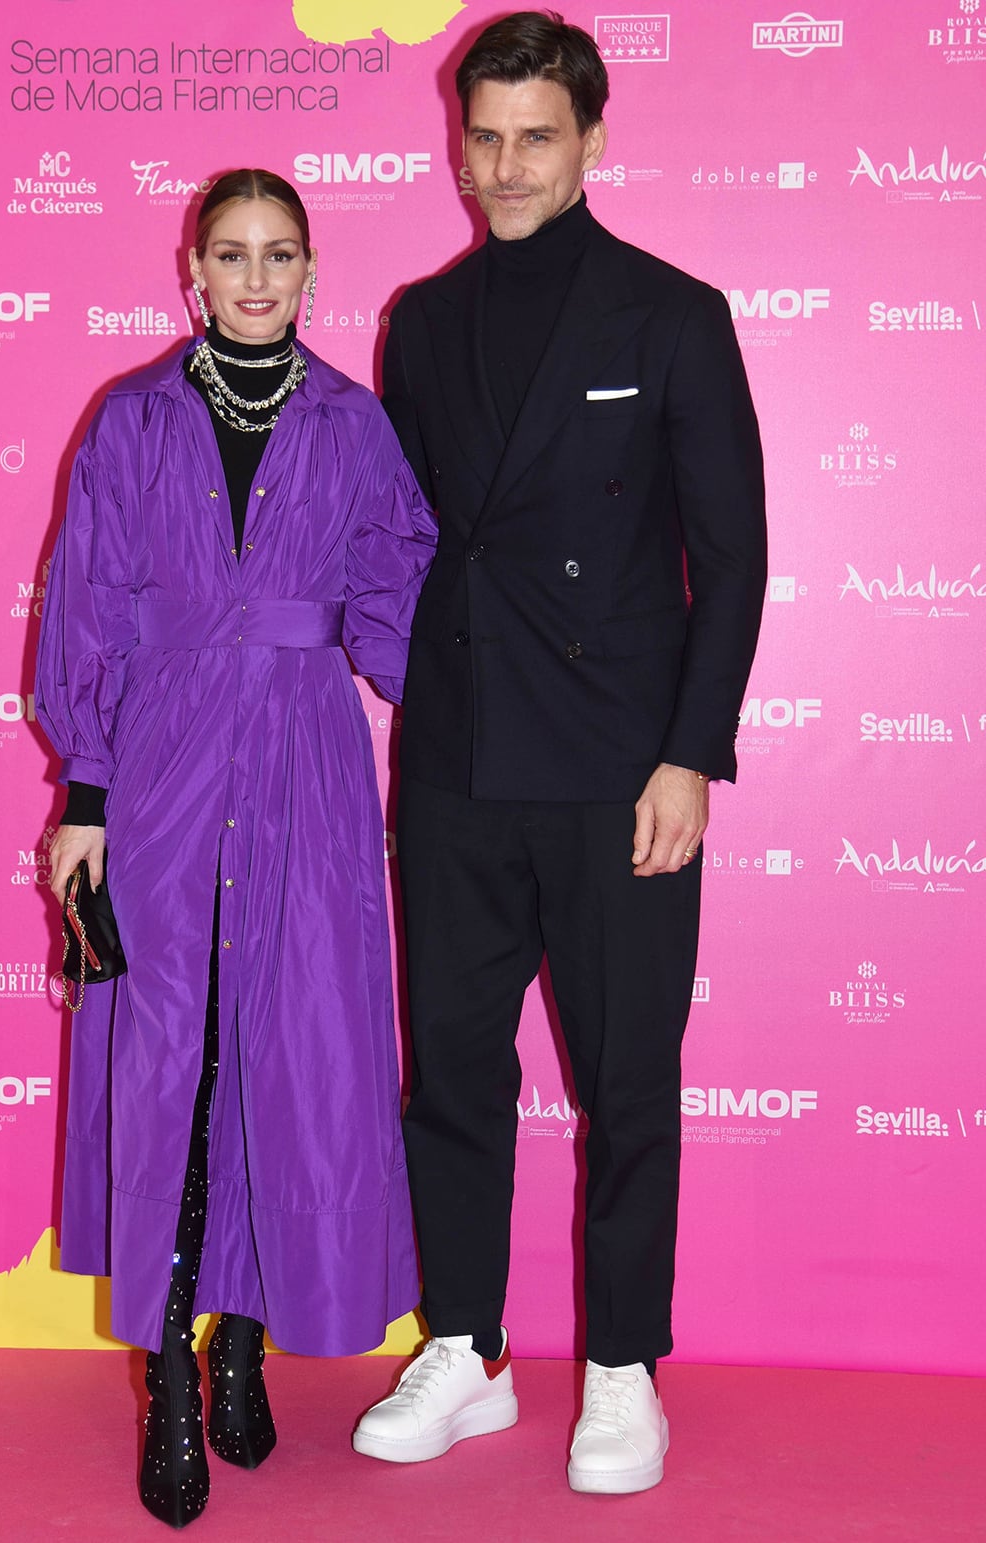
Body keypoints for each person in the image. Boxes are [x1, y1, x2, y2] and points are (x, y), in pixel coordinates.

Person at [352, 12, 766, 1495]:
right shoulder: (422, 318)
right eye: (485, 136)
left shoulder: (672, 315)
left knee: (627, 1085)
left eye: (537, 136)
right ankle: (464, 1347)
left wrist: (691, 757)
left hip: (617, 773)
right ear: (457, 142)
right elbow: (403, 545)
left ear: (591, 141)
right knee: (449, 1073)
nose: (507, 165)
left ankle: (620, 1369)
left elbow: (732, 554)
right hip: (459, 757)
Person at [36, 167, 434, 1529]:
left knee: (284, 1055)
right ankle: (168, 1374)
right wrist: (82, 803)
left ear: (311, 271)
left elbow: (403, 610)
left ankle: (244, 1340)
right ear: (190, 271)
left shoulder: (356, 425)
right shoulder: (133, 421)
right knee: (172, 1067)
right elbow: (88, 612)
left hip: (310, 774)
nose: (255, 279)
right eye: (230, 254)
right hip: (155, 774)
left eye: (279, 255)